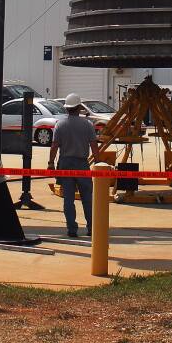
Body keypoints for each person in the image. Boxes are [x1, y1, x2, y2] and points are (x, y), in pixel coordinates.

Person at [48, 92, 100, 238]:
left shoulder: (60, 125)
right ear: (78, 107)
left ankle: (72, 229)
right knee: (87, 199)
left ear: (66, 109)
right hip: (82, 164)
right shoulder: (88, 125)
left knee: (68, 200)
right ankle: (91, 228)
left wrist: (51, 163)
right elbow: (94, 146)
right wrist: (98, 163)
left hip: (65, 164)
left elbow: (54, 146)